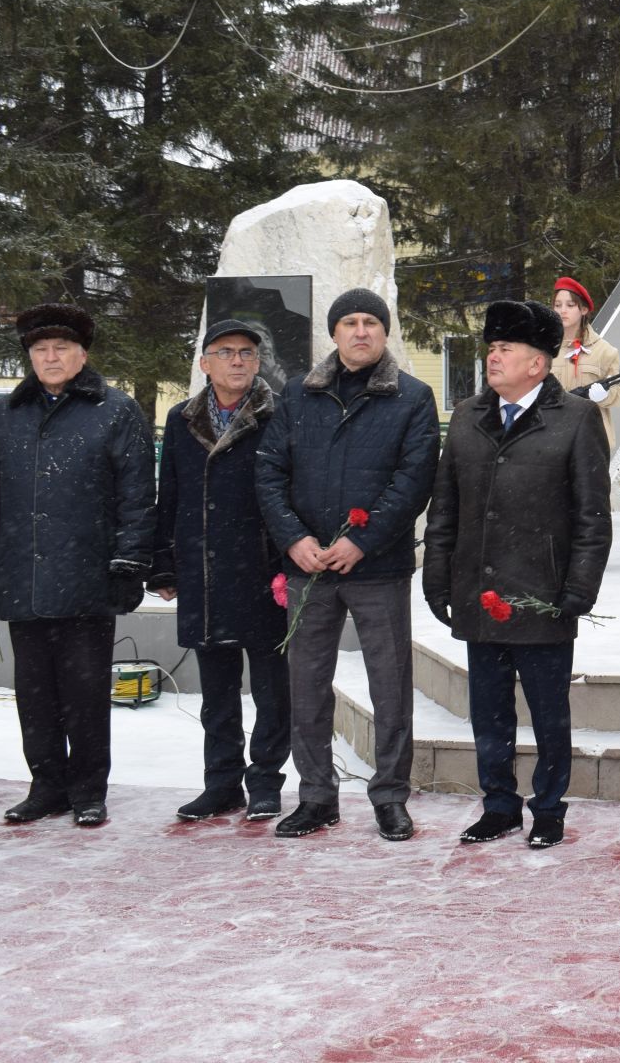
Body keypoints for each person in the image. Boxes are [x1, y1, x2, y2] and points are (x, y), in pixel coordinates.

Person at [424, 299, 611, 851]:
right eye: (492, 349)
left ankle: (548, 808)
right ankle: (499, 805)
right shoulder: (467, 416)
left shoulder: (575, 420)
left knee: (549, 715)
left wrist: (578, 587)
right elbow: (445, 508)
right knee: (489, 713)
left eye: (506, 349)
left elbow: (592, 516)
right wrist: (438, 578)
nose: (494, 357)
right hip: (479, 594)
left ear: (538, 363)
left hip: (543, 597)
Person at [256, 288, 439, 841]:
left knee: (390, 685)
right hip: (308, 567)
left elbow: (413, 481)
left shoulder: (412, 397)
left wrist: (362, 539)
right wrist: (293, 539)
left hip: (377, 567)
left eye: (371, 323)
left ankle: (389, 796)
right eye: (350, 323)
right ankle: (315, 796)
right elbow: (268, 472)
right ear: (333, 334)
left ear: (384, 334)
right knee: (307, 685)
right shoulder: (296, 395)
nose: (361, 331)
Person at [0, 303, 155, 827]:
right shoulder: (3, 417)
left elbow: (137, 497)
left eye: (61, 348)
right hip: (22, 577)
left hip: (88, 578)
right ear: (30, 357)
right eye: (40, 350)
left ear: (82, 354)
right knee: (34, 692)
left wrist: (128, 563)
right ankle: (46, 784)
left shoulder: (115, 412)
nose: (51, 358)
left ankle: (89, 788)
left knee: (85, 691)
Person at [149, 319, 292, 822]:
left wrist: (290, 564)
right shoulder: (182, 418)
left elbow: (292, 494)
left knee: (274, 688)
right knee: (217, 692)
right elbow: (170, 499)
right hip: (204, 573)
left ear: (258, 363)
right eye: (226, 352)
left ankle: (267, 781)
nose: (237, 361)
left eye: (247, 353)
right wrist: (163, 566)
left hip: (264, 571)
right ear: (205, 363)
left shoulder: (279, 415)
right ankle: (222, 782)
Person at [548, 276, 620, 453]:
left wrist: (604, 396)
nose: (562, 310)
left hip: (592, 442)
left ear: (583, 309)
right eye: (557, 305)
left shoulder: (604, 351)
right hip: (553, 442)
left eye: (570, 305)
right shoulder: (544, 350)